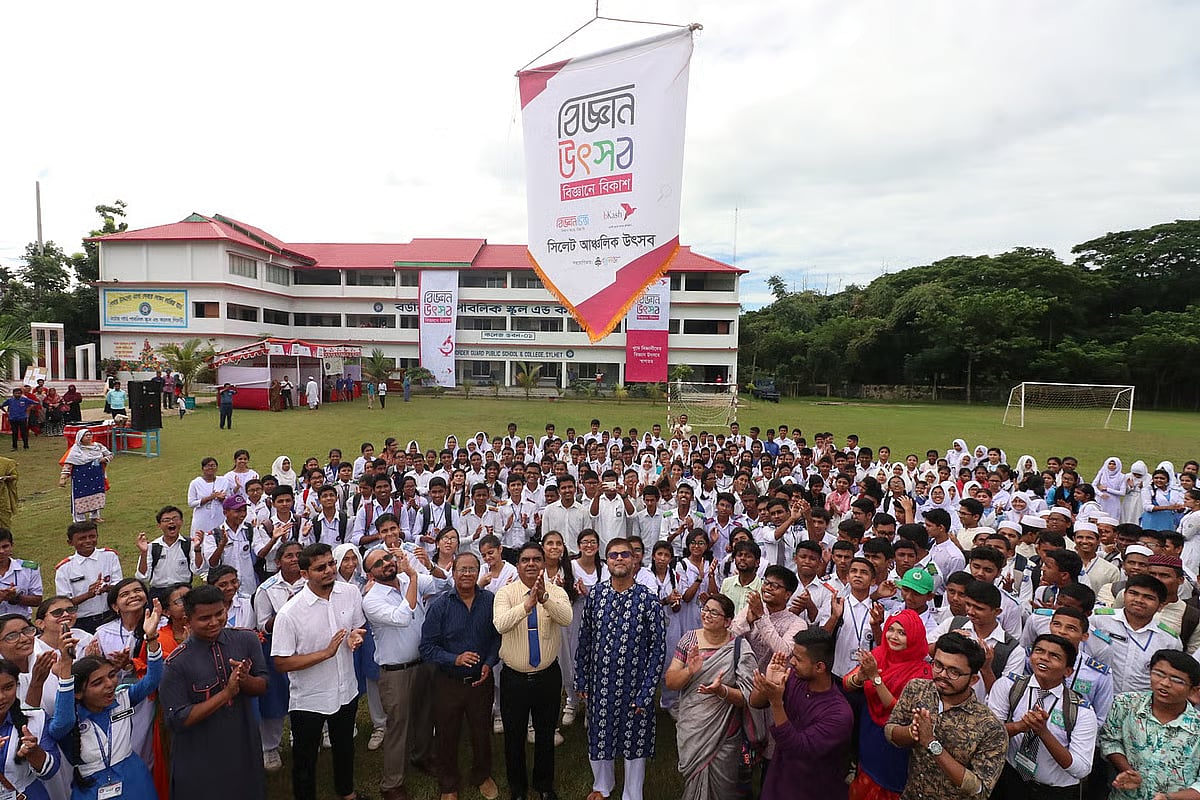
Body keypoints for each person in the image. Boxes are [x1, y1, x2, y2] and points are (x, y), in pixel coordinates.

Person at [271, 543, 368, 800]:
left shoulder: (350, 593)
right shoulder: (290, 613)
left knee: (345, 748)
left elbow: (357, 626)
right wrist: (324, 654)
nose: (329, 571)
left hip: (346, 689)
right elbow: (281, 662)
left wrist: (354, 638)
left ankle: (346, 792)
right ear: (304, 574)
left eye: (331, 564)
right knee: (305, 759)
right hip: (309, 698)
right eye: (320, 568)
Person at [575, 538, 667, 800]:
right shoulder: (596, 595)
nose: (619, 559)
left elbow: (657, 650)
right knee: (600, 733)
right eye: (613, 555)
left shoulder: (648, 600)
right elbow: (585, 640)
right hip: (600, 682)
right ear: (606, 561)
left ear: (634, 561)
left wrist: (648, 691)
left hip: (636, 684)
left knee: (635, 739)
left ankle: (632, 793)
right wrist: (582, 679)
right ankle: (602, 786)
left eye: (625, 555)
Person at [159, 584, 268, 800]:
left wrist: (244, 680)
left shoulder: (247, 639)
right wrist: (226, 694)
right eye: (204, 618)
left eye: (219, 613)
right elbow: (177, 720)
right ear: (187, 620)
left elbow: (264, 685)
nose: (214, 622)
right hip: (200, 753)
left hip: (242, 741)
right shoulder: (176, 663)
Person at [48, 597, 162, 800]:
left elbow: (153, 680)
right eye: (97, 683)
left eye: (111, 676)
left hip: (134, 780)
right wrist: (65, 670)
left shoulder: (123, 698)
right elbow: (62, 723)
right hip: (91, 787)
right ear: (78, 693)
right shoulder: (70, 719)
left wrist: (151, 637)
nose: (109, 684)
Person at [884, 632, 1008, 800]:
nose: (942, 674)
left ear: (973, 680)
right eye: (938, 665)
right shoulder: (917, 689)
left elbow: (979, 790)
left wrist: (931, 743)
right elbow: (890, 730)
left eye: (954, 672)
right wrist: (912, 732)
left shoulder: (990, 727)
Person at [494, 542, 572, 800]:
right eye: (525, 560)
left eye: (536, 560)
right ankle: (518, 788)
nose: (530, 564)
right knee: (514, 736)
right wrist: (527, 605)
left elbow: (566, 617)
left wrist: (544, 599)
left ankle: (544, 785)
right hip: (514, 678)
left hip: (547, 676)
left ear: (543, 563)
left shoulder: (556, 591)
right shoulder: (505, 593)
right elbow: (500, 625)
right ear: (518, 566)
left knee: (546, 732)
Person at [419, 552, 501, 800]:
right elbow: (427, 647)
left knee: (480, 732)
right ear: (453, 573)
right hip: (448, 682)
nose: (467, 574)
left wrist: (489, 662)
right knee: (446, 734)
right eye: (461, 569)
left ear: (478, 572)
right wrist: (454, 658)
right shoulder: (439, 606)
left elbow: (497, 637)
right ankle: (448, 784)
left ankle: (482, 775)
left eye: (471, 569)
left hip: (480, 681)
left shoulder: (490, 601)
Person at [665, 592, 758, 799]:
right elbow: (671, 682)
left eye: (714, 612)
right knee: (694, 778)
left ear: (728, 621)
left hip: (725, 730)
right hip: (693, 725)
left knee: (724, 787)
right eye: (705, 609)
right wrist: (690, 671)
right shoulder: (689, 640)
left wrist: (721, 691)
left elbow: (747, 697)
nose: (706, 615)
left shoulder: (739, 648)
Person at [987, 633, 1098, 800]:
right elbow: (988, 735)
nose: (1044, 658)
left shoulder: (1081, 711)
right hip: (1011, 779)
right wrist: (1019, 727)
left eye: (1054, 656)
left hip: (1054, 792)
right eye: (1039, 651)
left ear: (1068, 671)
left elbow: (1081, 769)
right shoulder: (1009, 686)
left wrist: (1043, 732)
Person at [749, 628, 854, 800]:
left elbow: (797, 748)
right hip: (778, 782)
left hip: (812, 790)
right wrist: (769, 683)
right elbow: (755, 703)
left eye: (798, 659)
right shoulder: (795, 679)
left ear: (820, 667)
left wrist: (776, 703)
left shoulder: (839, 714)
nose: (791, 662)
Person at [842, 609, 933, 800]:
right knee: (866, 776)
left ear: (915, 637)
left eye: (902, 633)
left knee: (888, 786)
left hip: (896, 740)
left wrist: (875, 678)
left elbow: (900, 711)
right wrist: (860, 676)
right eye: (891, 630)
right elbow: (847, 683)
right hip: (870, 731)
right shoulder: (880, 654)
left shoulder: (922, 673)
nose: (894, 636)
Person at [1099, 649, 1200, 800]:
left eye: (1177, 680)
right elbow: (1110, 741)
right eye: (1159, 674)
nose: (1165, 683)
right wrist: (1127, 771)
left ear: (1194, 690)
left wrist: (1169, 798)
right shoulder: (1125, 704)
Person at [0, 658, 60, 800]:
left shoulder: (35, 718)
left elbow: (51, 771)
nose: (1, 697)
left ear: (17, 686)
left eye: (8, 687)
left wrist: (35, 753)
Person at [53, 522, 122, 633]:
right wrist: (88, 595)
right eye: (82, 538)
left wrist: (107, 588)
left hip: (110, 615)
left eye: (92, 536)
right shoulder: (64, 568)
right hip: (82, 621)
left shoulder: (109, 556)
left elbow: (119, 585)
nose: (88, 541)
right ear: (70, 542)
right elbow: (64, 602)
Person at [134, 506, 196, 602]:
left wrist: (198, 549)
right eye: (166, 520)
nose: (171, 522)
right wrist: (143, 553)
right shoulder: (152, 547)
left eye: (175, 518)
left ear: (181, 522)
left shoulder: (189, 544)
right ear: (159, 525)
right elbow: (142, 577)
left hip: (183, 591)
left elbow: (197, 569)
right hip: (158, 593)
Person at [58, 431, 113, 524]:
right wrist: (63, 477)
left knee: (96, 494)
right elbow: (68, 464)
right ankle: (80, 519)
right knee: (80, 496)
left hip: (96, 476)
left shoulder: (98, 446)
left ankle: (95, 516)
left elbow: (110, 454)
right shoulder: (75, 450)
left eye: (90, 435)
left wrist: (104, 459)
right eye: (86, 435)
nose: (88, 437)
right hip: (81, 478)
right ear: (80, 437)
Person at [0, 528, 43, 618]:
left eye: (5, 546)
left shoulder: (29, 569)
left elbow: (37, 600)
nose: (1, 551)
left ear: (12, 546)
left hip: (22, 623)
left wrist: (15, 598)